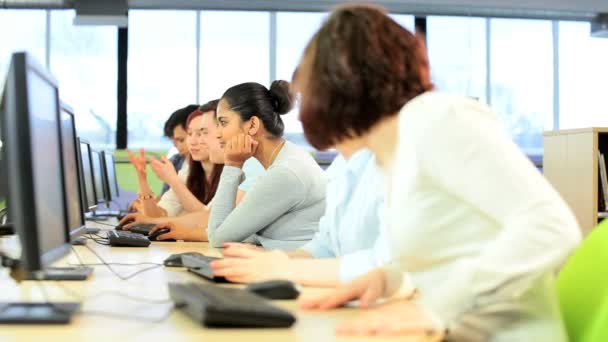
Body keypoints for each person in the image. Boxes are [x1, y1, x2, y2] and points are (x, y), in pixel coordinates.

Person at [292, 5, 581, 341]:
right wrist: (388, 279)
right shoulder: (388, 156)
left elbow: (551, 227)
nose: (302, 110)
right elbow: (449, 258)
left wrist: (432, 309)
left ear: (343, 80)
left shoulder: (435, 118)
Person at [210, 148, 390, 286]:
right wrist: (275, 260)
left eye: (223, 122)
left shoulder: (288, 170)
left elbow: (390, 264)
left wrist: (285, 268)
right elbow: (325, 247)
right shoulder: (342, 164)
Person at [206, 81, 326, 250]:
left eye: (223, 122)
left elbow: (217, 238)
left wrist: (232, 165)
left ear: (253, 125)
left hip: (299, 271)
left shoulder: (285, 172)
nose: (218, 134)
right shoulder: (290, 157)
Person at [120, 100, 224, 226]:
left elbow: (210, 220)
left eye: (203, 133)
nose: (193, 141)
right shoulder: (187, 171)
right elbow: (157, 215)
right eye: (190, 134)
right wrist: (142, 179)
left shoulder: (233, 170)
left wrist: (173, 181)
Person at [127, 104, 195, 211]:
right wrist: (146, 199)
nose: (177, 146)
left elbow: (201, 216)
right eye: (173, 141)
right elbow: (166, 202)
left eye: (181, 140)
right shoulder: (178, 162)